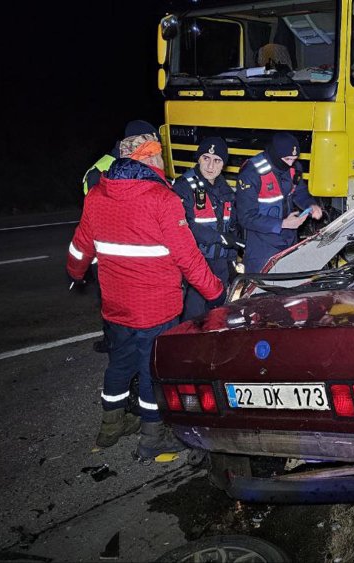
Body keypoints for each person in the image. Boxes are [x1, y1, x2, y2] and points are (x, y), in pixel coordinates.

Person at [66, 131, 224, 461]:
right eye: (159, 156)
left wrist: (76, 274)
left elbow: (81, 246)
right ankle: (153, 437)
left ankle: (111, 427)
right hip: (155, 307)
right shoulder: (162, 199)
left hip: (115, 307)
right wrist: (215, 292)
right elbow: (188, 257)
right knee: (152, 369)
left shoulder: (97, 196)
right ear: (150, 159)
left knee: (119, 364)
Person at [83, 120, 160, 354]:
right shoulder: (102, 170)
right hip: (111, 250)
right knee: (115, 305)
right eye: (153, 140)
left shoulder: (139, 162)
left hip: (129, 248)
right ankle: (116, 347)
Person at [172, 137, 240, 321]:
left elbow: (231, 226)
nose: (210, 166)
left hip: (220, 264)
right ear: (198, 159)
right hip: (195, 264)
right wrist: (219, 237)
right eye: (205, 158)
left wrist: (233, 260)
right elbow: (184, 225)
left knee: (219, 317)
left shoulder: (226, 189)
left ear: (223, 164)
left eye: (217, 160)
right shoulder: (183, 186)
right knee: (193, 318)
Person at [235, 132, 322, 274]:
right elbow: (246, 217)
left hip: (289, 239)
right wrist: (282, 224)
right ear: (275, 154)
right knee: (262, 290)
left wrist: (311, 205)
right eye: (287, 159)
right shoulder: (252, 173)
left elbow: (300, 193)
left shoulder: (294, 167)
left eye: (294, 159)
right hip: (262, 245)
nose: (290, 163)